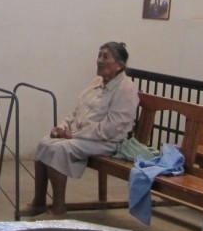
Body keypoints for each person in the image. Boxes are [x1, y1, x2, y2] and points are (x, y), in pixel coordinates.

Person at [20, 41, 139, 217]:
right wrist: (62, 127)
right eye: (99, 56)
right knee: (44, 143)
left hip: (108, 142)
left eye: (105, 57)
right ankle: (39, 202)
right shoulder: (97, 81)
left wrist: (74, 134)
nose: (99, 60)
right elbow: (77, 111)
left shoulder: (126, 88)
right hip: (82, 136)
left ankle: (58, 207)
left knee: (58, 149)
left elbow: (110, 128)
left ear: (119, 66)